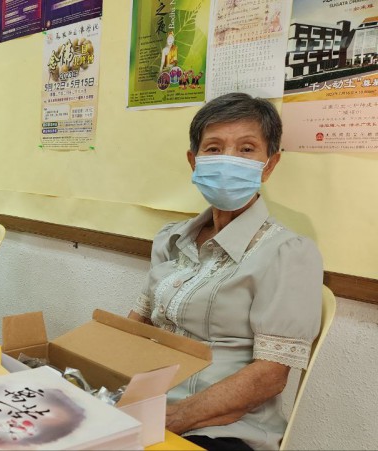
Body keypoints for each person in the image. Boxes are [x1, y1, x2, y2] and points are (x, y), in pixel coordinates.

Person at [128, 93, 322, 451]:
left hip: (223, 430)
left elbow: (270, 375)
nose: (228, 159)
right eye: (214, 148)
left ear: (269, 164)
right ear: (194, 161)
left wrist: (168, 420)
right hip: (148, 406)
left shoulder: (288, 253)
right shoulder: (171, 239)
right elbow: (137, 326)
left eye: (247, 149)